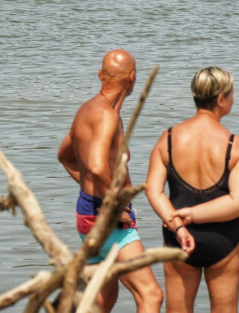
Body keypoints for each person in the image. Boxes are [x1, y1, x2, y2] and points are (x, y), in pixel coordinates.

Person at [57, 49, 163, 313]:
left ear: (100, 75)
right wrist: (116, 203)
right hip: (107, 217)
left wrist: (90, 190)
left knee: (103, 298)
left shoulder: (87, 110)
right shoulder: (106, 115)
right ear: (133, 77)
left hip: (88, 212)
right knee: (150, 295)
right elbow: (95, 164)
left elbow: (65, 157)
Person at [145, 66, 239, 313]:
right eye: (231, 94)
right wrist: (194, 214)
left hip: (178, 239)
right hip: (223, 240)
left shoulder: (168, 138)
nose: (233, 99)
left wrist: (178, 224)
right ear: (220, 99)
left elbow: (153, 191)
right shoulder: (234, 145)